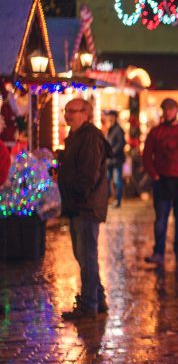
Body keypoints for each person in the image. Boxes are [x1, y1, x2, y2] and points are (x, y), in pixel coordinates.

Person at [58, 98, 111, 319]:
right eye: (66, 110)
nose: (68, 115)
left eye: (73, 111)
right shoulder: (77, 137)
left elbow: (88, 175)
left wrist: (75, 194)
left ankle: (89, 305)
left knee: (86, 255)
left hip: (86, 206)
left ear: (85, 114)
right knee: (83, 255)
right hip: (80, 205)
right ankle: (97, 299)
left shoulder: (89, 138)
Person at [142, 98, 178, 265]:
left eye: (171, 109)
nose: (168, 112)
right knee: (161, 218)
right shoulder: (156, 132)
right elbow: (147, 156)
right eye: (165, 109)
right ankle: (159, 252)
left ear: (176, 111)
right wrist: (155, 176)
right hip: (163, 180)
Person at [105, 110, 126, 208]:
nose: (109, 118)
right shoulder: (111, 129)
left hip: (116, 159)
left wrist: (111, 152)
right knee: (109, 179)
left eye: (111, 116)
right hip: (111, 159)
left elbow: (120, 143)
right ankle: (112, 198)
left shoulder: (118, 129)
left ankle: (118, 200)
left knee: (117, 180)